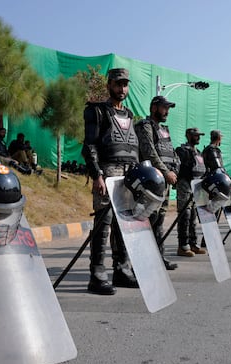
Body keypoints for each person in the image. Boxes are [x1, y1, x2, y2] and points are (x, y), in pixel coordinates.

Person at [81, 68, 139, 295]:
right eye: (118, 84)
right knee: (103, 225)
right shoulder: (97, 112)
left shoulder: (130, 115)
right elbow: (89, 145)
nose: (122, 88)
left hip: (129, 175)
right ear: (109, 85)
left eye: (125, 84)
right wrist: (97, 174)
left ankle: (122, 270)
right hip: (108, 172)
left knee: (124, 225)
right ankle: (97, 274)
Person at [134, 95, 181, 270]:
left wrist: (174, 170)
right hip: (151, 183)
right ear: (154, 108)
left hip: (165, 182)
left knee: (159, 220)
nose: (167, 111)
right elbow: (149, 153)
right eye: (164, 107)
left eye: (168, 108)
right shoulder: (145, 126)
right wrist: (166, 172)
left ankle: (158, 258)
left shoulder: (164, 130)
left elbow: (172, 153)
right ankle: (141, 262)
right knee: (148, 220)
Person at [175, 128, 207, 257]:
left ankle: (193, 243)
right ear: (188, 135)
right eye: (195, 135)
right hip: (185, 186)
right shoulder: (182, 150)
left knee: (193, 216)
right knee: (185, 215)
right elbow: (180, 167)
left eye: (199, 135)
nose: (198, 138)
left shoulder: (198, 152)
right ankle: (183, 246)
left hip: (196, 187)